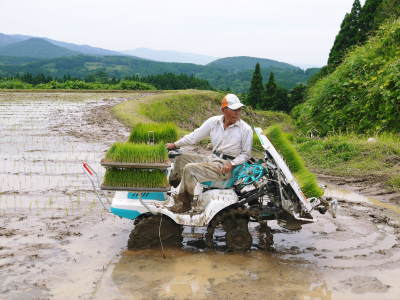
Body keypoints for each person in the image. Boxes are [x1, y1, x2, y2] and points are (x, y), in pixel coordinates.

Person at [166, 93, 253, 213]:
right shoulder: (214, 122)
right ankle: (174, 188)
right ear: (224, 110)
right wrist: (175, 145)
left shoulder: (245, 129)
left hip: (226, 166)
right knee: (180, 158)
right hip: (212, 159)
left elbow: (246, 154)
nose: (237, 112)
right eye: (234, 110)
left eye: (239, 109)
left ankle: (184, 204)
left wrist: (232, 163)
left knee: (190, 169)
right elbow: (194, 136)